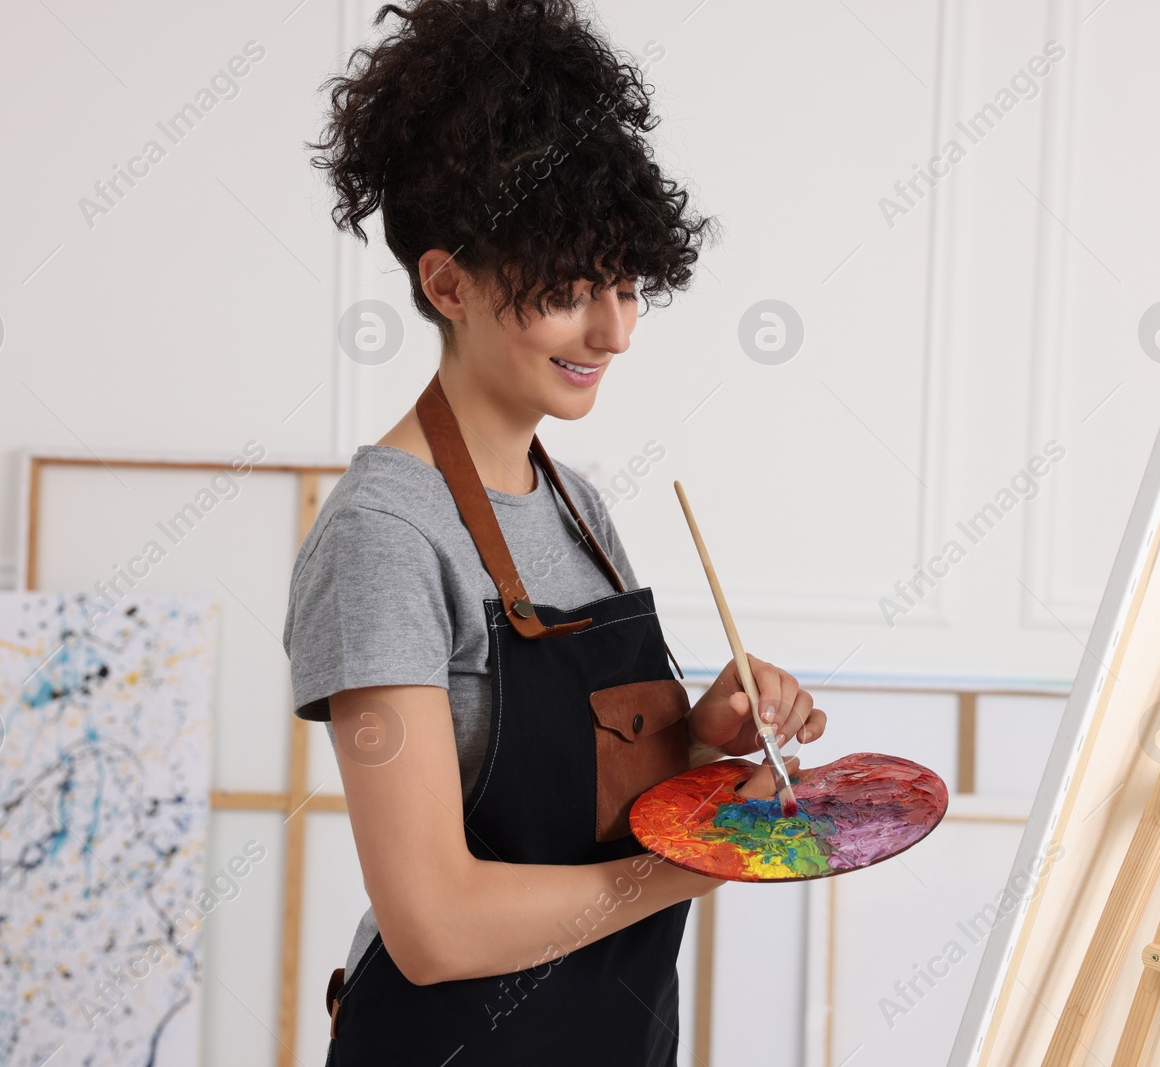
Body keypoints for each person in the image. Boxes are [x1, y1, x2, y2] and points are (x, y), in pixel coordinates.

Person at [285, 1, 827, 1062]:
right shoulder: (383, 538)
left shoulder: (578, 504)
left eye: (625, 284)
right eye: (571, 290)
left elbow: (593, 795)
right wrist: (711, 857)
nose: (615, 331)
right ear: (447, 282)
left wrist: (706, 736)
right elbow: (433, 925)